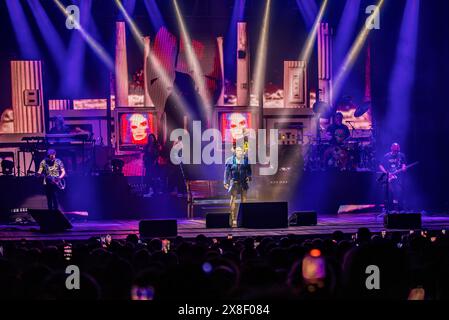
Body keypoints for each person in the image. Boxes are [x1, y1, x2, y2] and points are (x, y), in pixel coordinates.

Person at [224, 146, 252, 227]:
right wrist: (225, 182)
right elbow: (226, 172)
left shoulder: (246, 160)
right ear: (235, 152)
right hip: (234, 182)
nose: (240, 152)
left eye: (241, 151)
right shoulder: (229, 160)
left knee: (244, 199)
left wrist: (248, 176)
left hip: (243, 182)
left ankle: (243, 217)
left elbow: (249, 170)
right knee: (233, 199)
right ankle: (233, 218)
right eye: (238, 151)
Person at [379, 143, 407, 212]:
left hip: (398, 177)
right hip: (389, 176)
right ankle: (388, 208)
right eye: (394, 148)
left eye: (397, 148)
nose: (396, 149)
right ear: (391, 148)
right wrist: (386, 173)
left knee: (398, 191)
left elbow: (404, 164)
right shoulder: (387, 156)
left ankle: (398, 208)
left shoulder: (401, 155)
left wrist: (403, 168)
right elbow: (380, 165)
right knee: (388, 192)